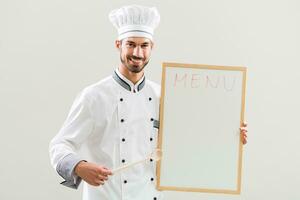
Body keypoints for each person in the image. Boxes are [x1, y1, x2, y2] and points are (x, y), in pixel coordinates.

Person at [49, 5, 248, 200]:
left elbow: (191, 141)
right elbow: (59, 145)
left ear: (152, 47)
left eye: (144, 45)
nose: (137, 53)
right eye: (131, 44)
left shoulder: (164, 96)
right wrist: (79, 166)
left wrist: (231, 136)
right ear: (118, 44)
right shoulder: (94, 96)